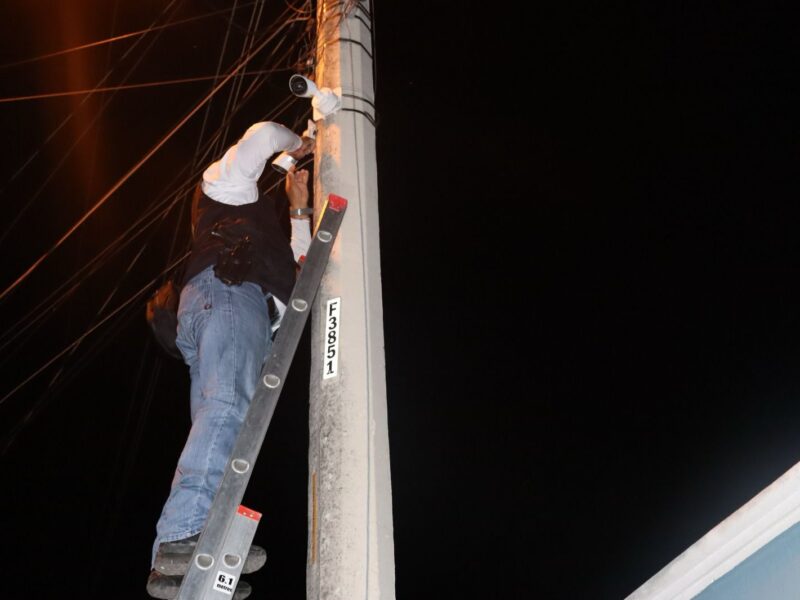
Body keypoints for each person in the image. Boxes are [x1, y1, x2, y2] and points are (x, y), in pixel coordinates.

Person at [146, 121, 315, 600]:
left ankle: (184, 550)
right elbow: (263, 135)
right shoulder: (224, 186)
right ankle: (184, 532)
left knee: (222, 424)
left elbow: (297, 267)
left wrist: (298, 202)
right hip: (230, 297)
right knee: (227, 411)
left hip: (224, 310)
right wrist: (302, 146)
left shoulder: (259, 233)